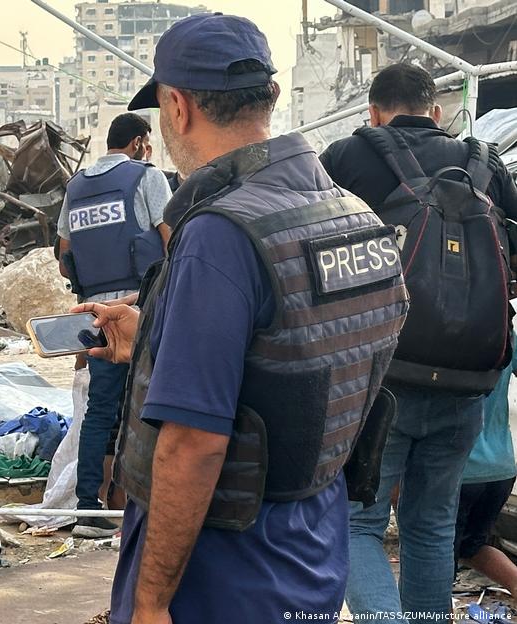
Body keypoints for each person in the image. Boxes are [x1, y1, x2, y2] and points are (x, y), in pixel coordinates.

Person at [78, 14, 409, 623]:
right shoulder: (351, 214)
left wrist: (150, 603)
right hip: (313, 551)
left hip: (225, 570)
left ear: (176, 106)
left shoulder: (221, 234)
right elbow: (298, 357)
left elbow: (193, 443)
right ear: (272, 96)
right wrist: (154, 338)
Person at [320, 63, 517, 623]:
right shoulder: (484, 162)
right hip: (468, 381)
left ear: (373, 113)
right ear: (437, 112)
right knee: (431, 524)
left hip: (380, 376)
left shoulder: (347, 158)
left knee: (358, 523)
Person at [54, 112, 173, 539]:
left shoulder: (76, 186)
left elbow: (65, 255)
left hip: (94, 312)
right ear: (140, 142)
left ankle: (89, 509)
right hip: (142, 305)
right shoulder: (147, 177)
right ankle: (145, 509)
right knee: (150, 407)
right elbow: (170, 240)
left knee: (99, 411)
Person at [455, 335, 517, 596]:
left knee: (431, 555)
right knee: (471, 546)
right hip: (501, 468)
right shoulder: (504, 327)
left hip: (455, 470)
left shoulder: (439, 325)